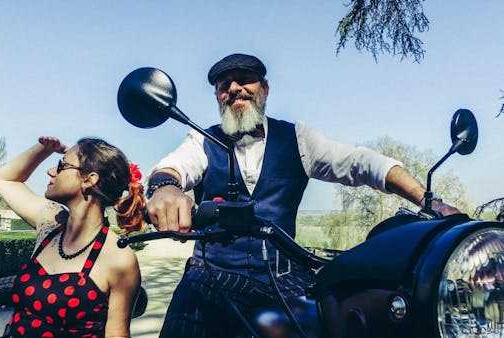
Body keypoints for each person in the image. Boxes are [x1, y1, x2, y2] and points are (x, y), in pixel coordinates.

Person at [145, 53, 460, 337]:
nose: (235, 88)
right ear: (217, 96)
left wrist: (427, 200)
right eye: (225, 84)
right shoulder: (202, 139)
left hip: (282, 281)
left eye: (245, 80)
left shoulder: (296, 138)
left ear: (265, 89)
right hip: (211, 276)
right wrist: (165, 188)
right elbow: (173, 167)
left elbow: (362, 163)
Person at [0, 136, 145, 338]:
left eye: (61, 166)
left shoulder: (118, 259)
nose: (50, 171)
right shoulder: (51, 224)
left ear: (89, 179)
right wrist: (44, 149)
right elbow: (5, 180)